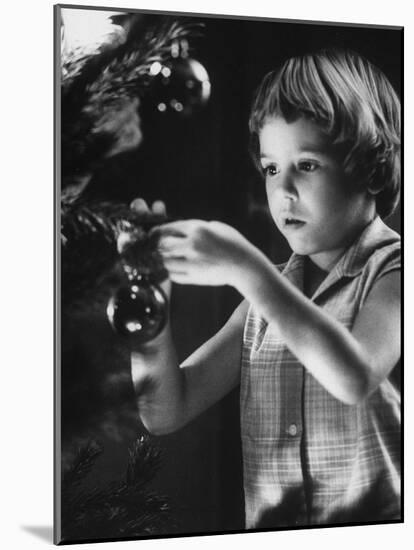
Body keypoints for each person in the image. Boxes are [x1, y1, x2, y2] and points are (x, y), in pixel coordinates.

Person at [127, 49, 401, 528]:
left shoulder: (395, 271)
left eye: (308, 165)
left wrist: (247, 269)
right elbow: (164, 411)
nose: (283, 191)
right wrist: (150, 309)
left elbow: (355, 377)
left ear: (373, 170)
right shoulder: (263, 301)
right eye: (272, 168)